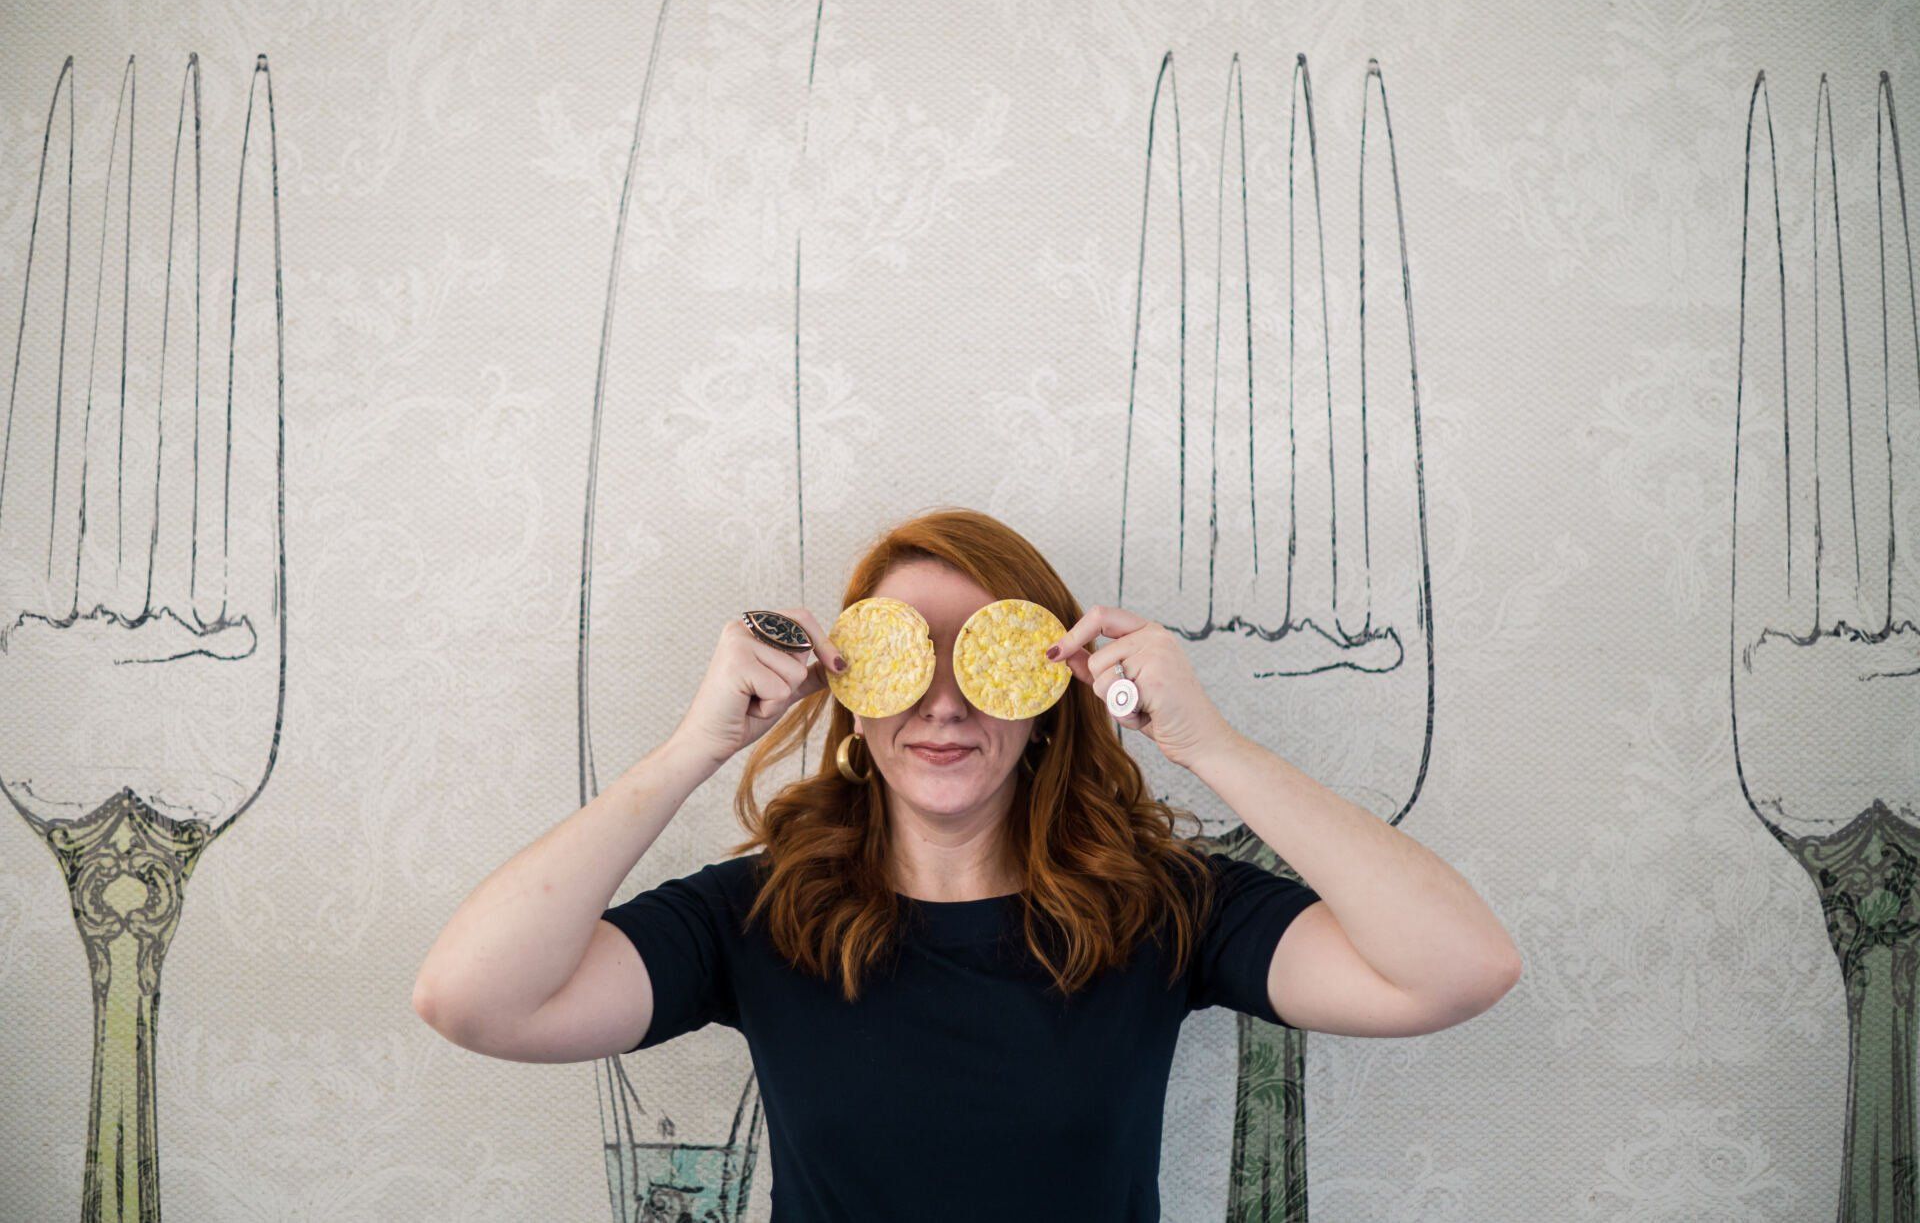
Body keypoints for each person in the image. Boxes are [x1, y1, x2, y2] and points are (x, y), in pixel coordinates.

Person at [411, 506, 1521, 1221]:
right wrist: (697, 745)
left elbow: (1460, 967)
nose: (943, 701)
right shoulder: (760, 912)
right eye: (905, 660)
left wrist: (1211, 744)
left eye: (987, 660)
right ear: (849, 691)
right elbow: (471, 998)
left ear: (1051, 693)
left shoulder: (1160, 906)